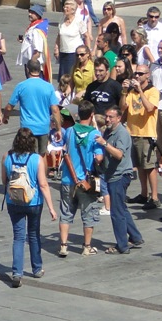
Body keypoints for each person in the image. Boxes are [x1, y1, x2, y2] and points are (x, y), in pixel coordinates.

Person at [2, 128, 57, 283]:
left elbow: (4, 180)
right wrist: (51, 208)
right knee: (33, 234)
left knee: (18, 237)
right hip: (33, 202)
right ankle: (37, 268)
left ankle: (17, 273)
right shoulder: (37, 159)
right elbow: (43, 184)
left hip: (13, 201)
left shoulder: (7, 156)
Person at [56, 100, 105, 257]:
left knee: (66, 212)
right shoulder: (94, 135)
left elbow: (64, 147)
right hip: (85, 182)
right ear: (92, 116)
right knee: (88, 213)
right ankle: (86, 247)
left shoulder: (69, 131)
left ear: (78, 115)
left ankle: (63, 246)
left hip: (67, 179)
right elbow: (99, 158)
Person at [99, 106, 144, 255]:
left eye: (111, 117)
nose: (107, 119)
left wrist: (104, 144)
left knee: (116, 212)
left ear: (119, 118)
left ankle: (122, 245)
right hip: (112, 175)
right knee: (121, 208)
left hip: (119, 176)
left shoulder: (122, 133)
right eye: (106, 116)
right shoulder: (108, 131)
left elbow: (119, 154)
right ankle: (136, 237)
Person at [3, 59, 61, 155]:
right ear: (40, 70)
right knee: (43, 155)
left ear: (27, 70)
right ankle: (43, 170)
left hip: (27, 129)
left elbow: (9, 107)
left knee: (28, 155)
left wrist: (5, 116)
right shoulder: (48, 86)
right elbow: (55, 110)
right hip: (43, 127)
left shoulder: (21, 86)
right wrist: (58, 129)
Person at [121, 63, 160, 209]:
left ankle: (154, 197)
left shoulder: (153, 91)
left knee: (150, 167)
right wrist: (124, 91)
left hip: (147, 133)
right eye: (135, 73)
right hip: (133, 132)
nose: (137, 76)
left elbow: (150, 108)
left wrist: (140, 91)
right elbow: (123, 107)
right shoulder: (131, 92)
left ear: (147, 75)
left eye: (140, 74)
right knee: (140, 166)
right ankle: (144, 194)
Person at [55, 0, 90, 80]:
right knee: (63, 77)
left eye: (67, 7)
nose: (65, 9)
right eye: (64, 7)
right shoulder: (62, 20)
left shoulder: (78, 21)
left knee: (71, 75)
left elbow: (86, 36)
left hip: (74, 53)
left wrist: (87, 51)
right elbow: (59, 35)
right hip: (63, 52)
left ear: (73, 10)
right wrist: (56, 48)